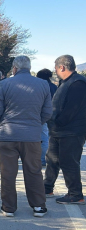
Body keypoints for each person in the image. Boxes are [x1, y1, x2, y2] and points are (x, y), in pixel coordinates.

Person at [0, 55, 52, 217]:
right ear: (29, 67)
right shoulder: (43, 84)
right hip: (32, 136)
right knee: (34, 171)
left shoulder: (4, 84)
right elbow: (47, 112)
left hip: (8, 135)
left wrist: (0, 125)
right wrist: (36, 124)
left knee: (8, 173)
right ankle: (38, 206)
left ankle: (8, 207)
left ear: (14, 68)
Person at [44, 55, 86, 204]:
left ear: (62, 67)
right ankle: (47, 187)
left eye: (56, 68)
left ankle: (75, 194)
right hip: (59, 130)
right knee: (52, 159)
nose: (55, 71)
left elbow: (72, 109)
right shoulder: (66, 82)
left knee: (69, 162)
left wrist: (58, 122)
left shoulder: (78, 83)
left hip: (71, 131)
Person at [36, 69, 58, 166]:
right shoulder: (54, 87)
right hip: (54, 115)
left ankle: (42, 159)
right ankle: (49, 158)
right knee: (49, 137)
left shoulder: (39, 86)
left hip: (42, 114)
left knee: (43, 137)